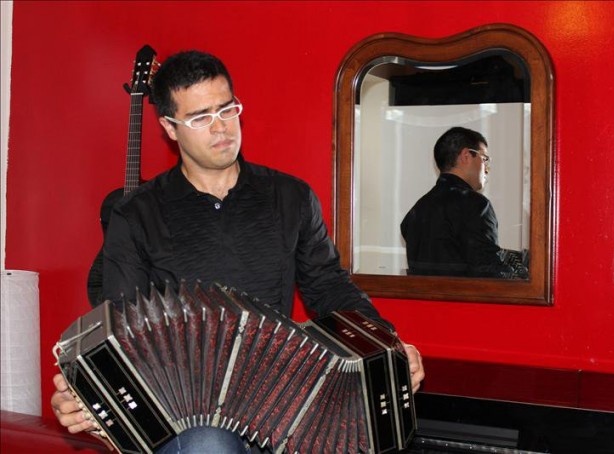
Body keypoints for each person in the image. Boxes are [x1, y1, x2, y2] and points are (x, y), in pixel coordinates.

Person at [51, 50, 425, 453]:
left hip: (279, 403)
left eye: (227, 109)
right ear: (170, 128)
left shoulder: (290, 197)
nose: (221, 128)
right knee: (209, 444)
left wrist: (385, 342)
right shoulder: (136, 214)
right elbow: (119, 328)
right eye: (200, 118)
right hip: (189, 420)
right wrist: (86, 394)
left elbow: (329, 287)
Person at [400, 126, 526, 278]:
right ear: (466, 156)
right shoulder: (475, 205)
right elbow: (488, 271)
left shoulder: (416, 211)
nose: (487, 169)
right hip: (466, 294)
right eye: (484, 159)